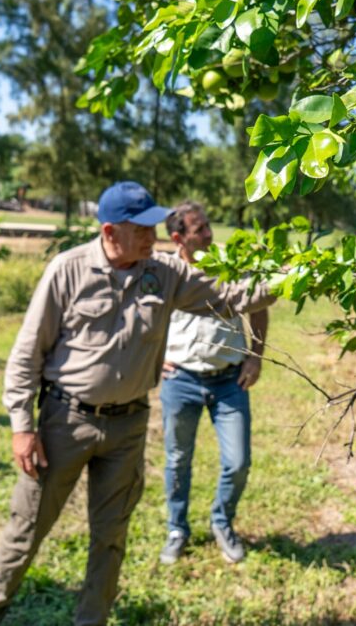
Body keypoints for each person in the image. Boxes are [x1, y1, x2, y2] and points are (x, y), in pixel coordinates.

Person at [0, 181, 274, 626]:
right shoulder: (67, 271)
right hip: (63, 423)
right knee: (28, 524)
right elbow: (27, 354)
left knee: (111, 535)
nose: (153, 236)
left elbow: (231, 296)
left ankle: (92, 619)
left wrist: (296, 277)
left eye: (155, 225)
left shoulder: (164, 271)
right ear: (110, 231)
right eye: (143, 228)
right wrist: (22, 425)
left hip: (127, 428)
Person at [159, 201, 268, 566]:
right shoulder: (165, 270)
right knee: (177, 459)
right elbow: (141, 312)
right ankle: (177, 529)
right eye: (199, 230)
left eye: (207, 226)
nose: (209, 234)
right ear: (179, 238)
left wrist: (256, 355)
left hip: (229, 380)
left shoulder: (230, 263)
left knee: (238, 462)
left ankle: (222, 521)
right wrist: (155, 356)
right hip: (180, 380)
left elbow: (258, 303)